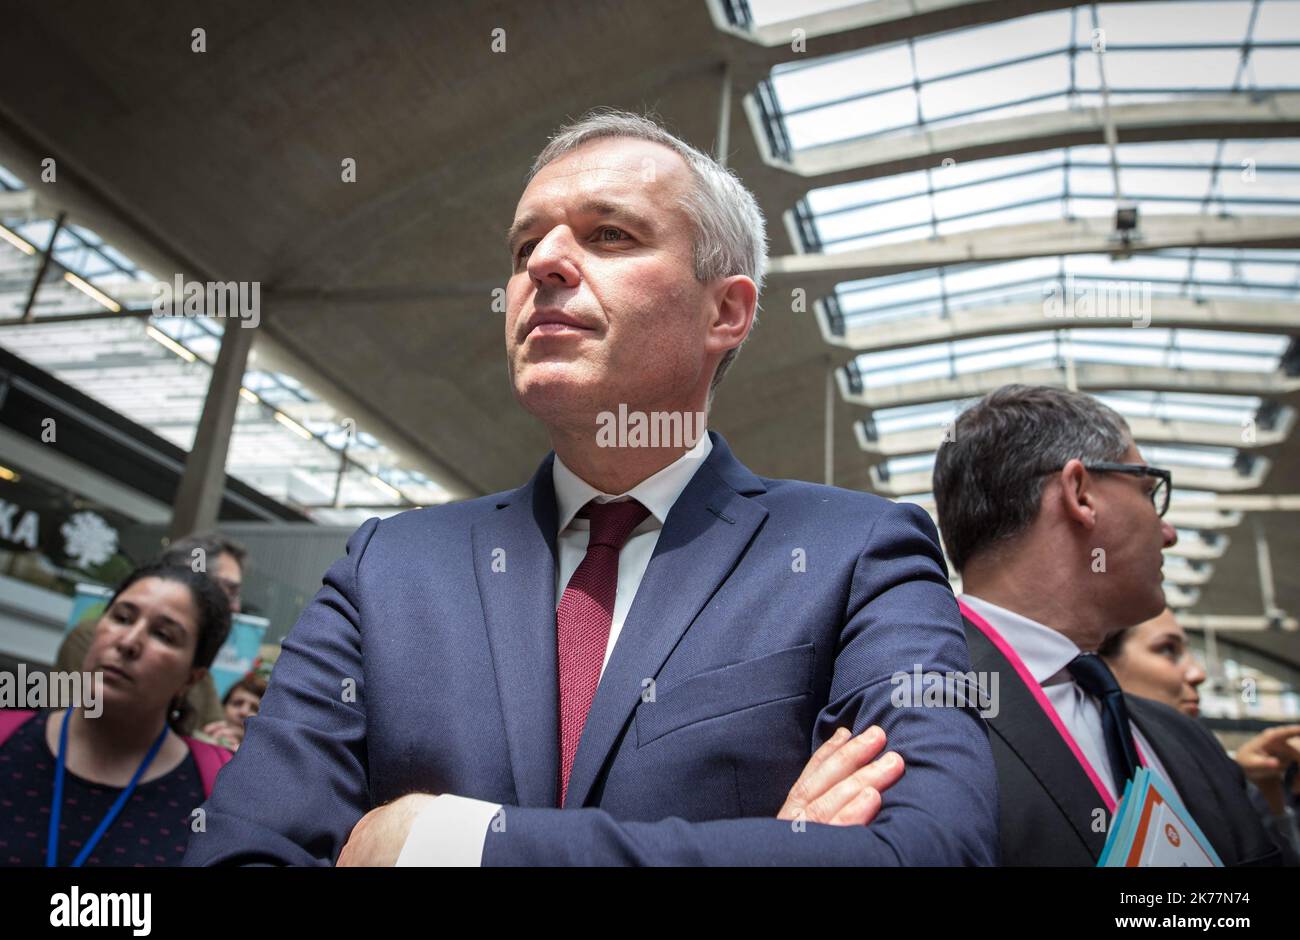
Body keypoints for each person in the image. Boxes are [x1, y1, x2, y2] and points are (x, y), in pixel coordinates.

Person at [183, 109, 998, 867]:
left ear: (727, 312)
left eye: (609, 234)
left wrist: (446, 844)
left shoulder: (855, 551)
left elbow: (928, 850)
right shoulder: (386, 568)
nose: (541, 263)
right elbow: (242, 857)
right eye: (523, 245)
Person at [933, 384, 1282, 865]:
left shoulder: (1185, 740)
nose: (1169, 532)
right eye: (1148, 490)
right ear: (1080, 494)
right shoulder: (911, 719)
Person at [0, 564, 233, 866]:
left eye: (163, 635)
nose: (128, 642)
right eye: (122, 618)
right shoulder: (8, 737)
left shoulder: (220, 791)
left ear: (192, 677)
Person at [1099, 609, 1300, 865]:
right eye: (1167, 649)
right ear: (1100, 667)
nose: (1198, 674)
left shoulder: (1223, 775)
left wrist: (1261, 787)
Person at [55, 532, 248, 734]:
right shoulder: (91, 638)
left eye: (164, 636)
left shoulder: (198, 670)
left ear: (192, 676)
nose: (235, 606)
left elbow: (213, 729)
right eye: (229, 590)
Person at [202, 674, 267, 751]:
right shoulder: (200, 741)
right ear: (223, 707)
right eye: (237, 703)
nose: (243, 712)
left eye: (254, 709)